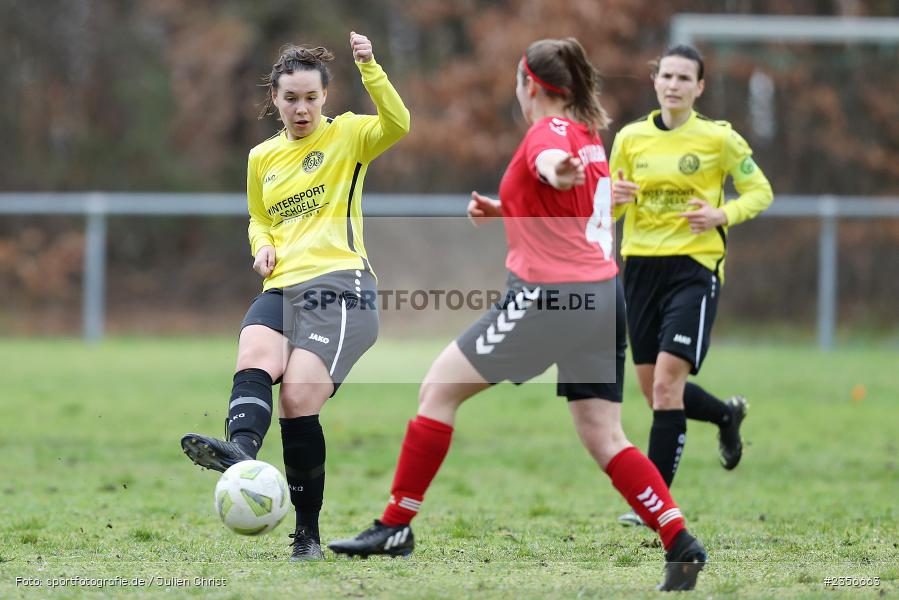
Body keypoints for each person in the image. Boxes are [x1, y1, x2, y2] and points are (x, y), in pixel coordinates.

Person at [329, 38, 707, 592]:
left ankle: (395, 526)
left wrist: (554, 171)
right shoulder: (589, 136)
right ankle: (679, 540)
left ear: (529, 84)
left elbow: (551, 166)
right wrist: (507, 206)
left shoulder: (550, 133)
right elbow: (570, 204)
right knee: (604, 434)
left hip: (549, 298)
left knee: (437, 390)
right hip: (603, 298)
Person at [179, 32, 410, 560]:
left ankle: (306, 533)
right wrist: (261, 246)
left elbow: (399, 123)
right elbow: (259, 218)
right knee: (254, 355)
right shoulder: (262, 157)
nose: (301, 108)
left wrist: (371, 66)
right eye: (290, 99)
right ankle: (241, 456)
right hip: (282, 285)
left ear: (324, 97)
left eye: (310, 97)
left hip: (342, 285)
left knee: (298, 399)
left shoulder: (349, 136)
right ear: (275, 100)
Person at [609, 45, 773, 527]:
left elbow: (760, 191)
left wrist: (723, 213)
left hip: (693, 269)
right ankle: (725, 415)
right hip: (639, 269)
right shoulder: (630, 138)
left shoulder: (718, 140)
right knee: (655, 391)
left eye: (685, 78)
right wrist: (612, 198)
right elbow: (612, 210)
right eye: (667, 76)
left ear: (699, 88)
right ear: (655, 81)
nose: (674, 84)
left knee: (666, 384)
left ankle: (653, 504)